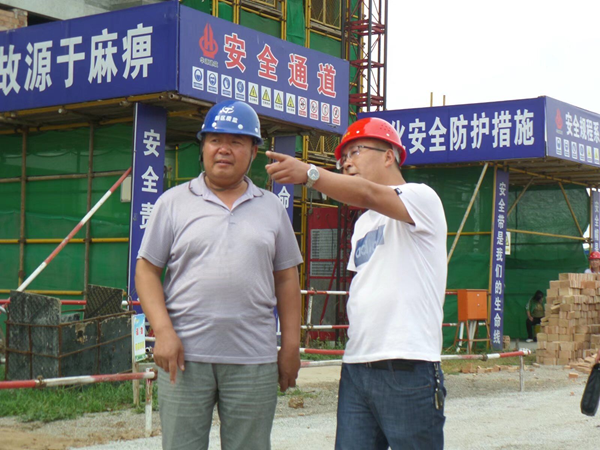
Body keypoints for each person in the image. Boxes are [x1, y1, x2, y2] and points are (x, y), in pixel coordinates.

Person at [266, 117, 447, 449]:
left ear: (389, 155)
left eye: (355, 152)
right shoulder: (363, 224)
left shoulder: (421, 198)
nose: (346, 163)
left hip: (407, 363)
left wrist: (310, 174)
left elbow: (367, 193)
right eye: (343, 158)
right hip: (356, 366)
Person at [135, 100, 303, 450]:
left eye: (236, 141)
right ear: (203, 147)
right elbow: (147, 269)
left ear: (253, 152)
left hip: (253, 360)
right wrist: (163, 332)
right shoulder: (173, 203)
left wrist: (290, 345)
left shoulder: (272, 208)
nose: (223, 149)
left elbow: (287, 279)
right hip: (183, 357)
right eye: (215, 140)